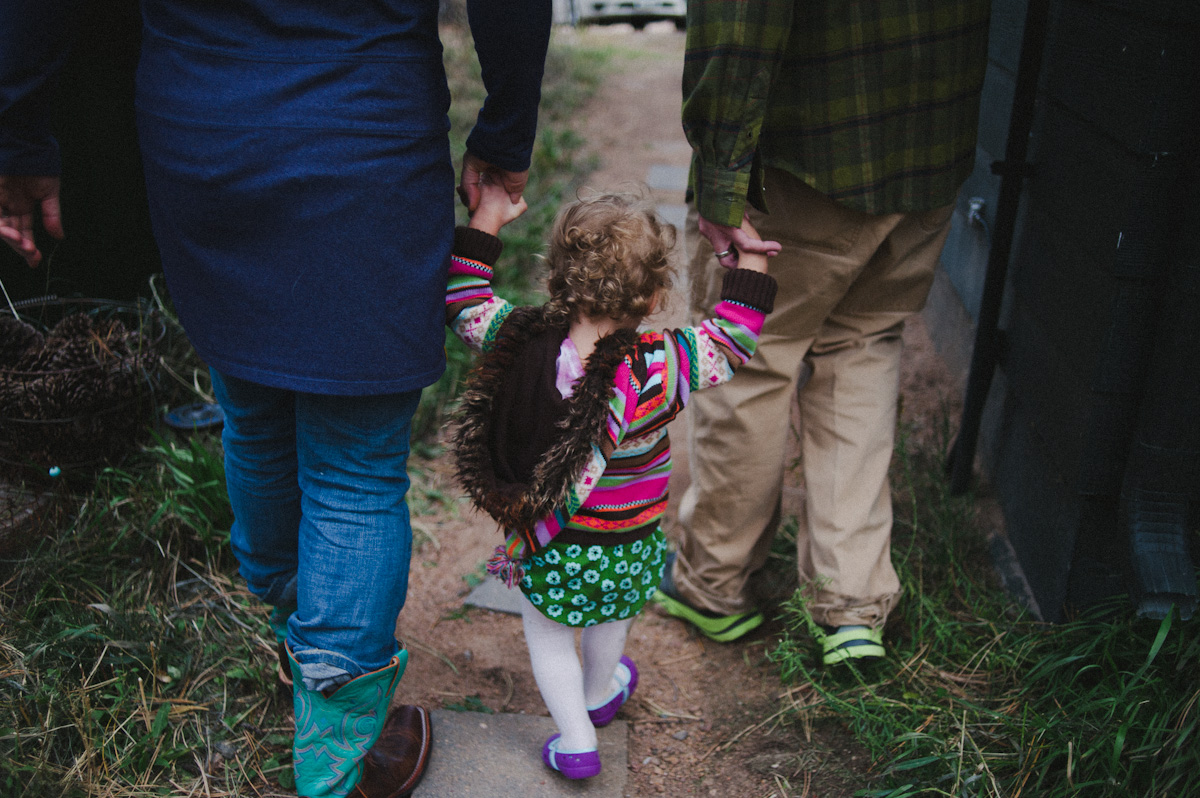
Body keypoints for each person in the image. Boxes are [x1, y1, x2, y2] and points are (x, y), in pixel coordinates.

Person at [1, 1, 551, 795]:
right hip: (363, 124)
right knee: (354, 466)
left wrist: (19, 131)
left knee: (252, 414)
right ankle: (333, 747)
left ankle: (302, 637)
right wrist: (504, 135)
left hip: (202, 129)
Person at [654, 0, 991, 665]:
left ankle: (714, 583)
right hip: (930, 143)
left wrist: (721, 180)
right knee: (864, 344)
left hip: (805, 156)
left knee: (748, 357)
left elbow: (740, 20)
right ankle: (852, 607)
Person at [444, 182, 776, 778]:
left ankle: (575, 738)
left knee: (548, 637)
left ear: (559, 280)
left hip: (554, 541)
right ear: (652, 297)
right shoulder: (664, 363)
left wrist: (488, 218)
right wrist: (748, 263)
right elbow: (733, 340)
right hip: (630, 541)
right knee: (609, 619)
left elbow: (466, 301)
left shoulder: (520, 342)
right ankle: (599, 696)